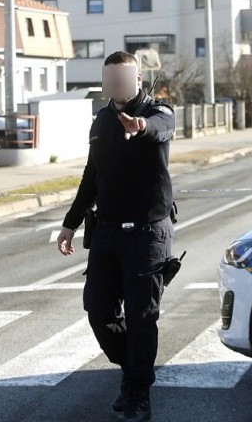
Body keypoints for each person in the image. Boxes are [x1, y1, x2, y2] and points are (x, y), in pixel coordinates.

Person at [57, 51, 175, 422]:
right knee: (98, 310)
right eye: (110, 81)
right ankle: (136, 371)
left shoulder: (159, 111)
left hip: (147, 234)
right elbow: (92, 175)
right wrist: (70, 223)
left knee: (142, 316)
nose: (116, 87)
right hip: (107, 232)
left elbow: (161, 128)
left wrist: (140, 127)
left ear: (138, 79)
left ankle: (138, 391)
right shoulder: (102, 121)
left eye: (123, 81)